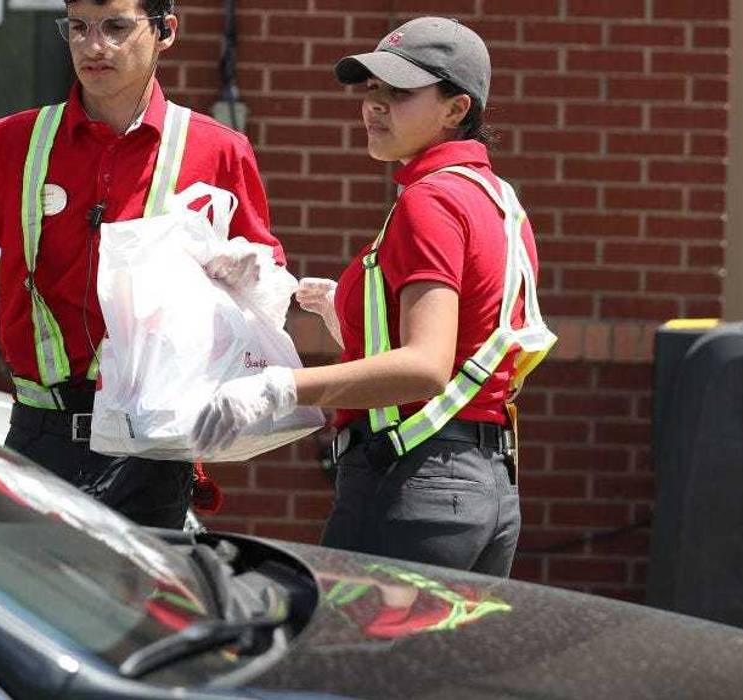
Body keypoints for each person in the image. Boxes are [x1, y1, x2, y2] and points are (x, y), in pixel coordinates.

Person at [0, 0, 284, 529]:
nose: (93, 46)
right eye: (78, 28)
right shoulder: (8, 142)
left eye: (116, 28)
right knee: (27, 604)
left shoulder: (217, 150)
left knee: (137, 610)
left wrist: (249, 274)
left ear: (165, 31)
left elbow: (267, 296)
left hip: (152, 441)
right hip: (40, 428)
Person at [191, 17, 554, 576]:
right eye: (371, 90)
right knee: (437, 665)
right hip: (483, 487)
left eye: (401, 92)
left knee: (355, 659)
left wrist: (278, 388)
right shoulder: (494, 198)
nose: (374, 107)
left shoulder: (429, 202)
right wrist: (347, 314)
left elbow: (425, 365)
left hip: (413, 482)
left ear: (457, 109)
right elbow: (462, 347)